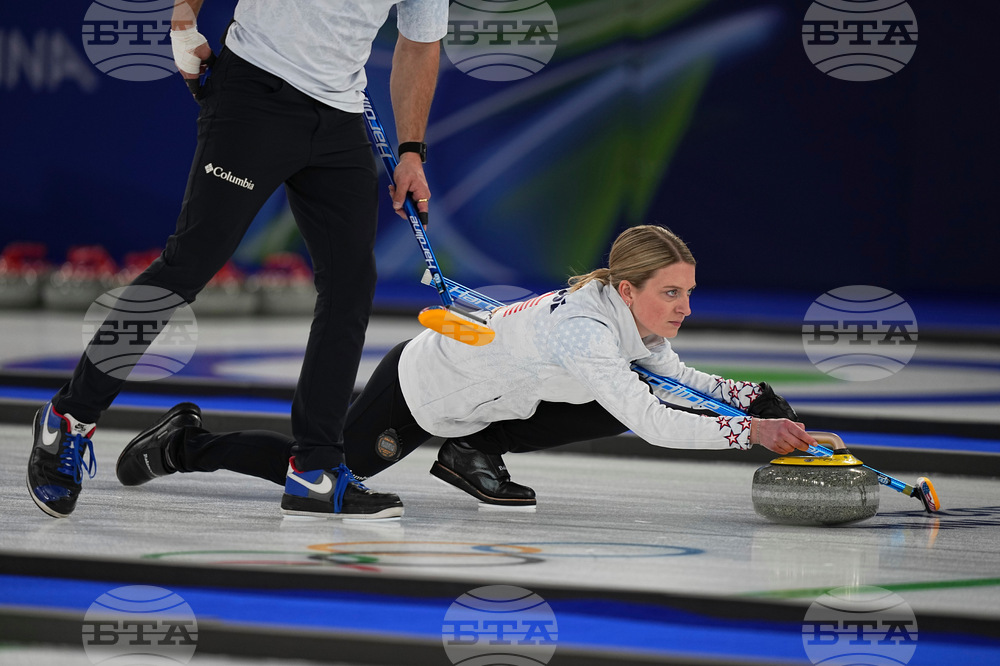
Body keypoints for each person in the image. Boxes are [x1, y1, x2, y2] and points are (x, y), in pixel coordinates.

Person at [27, 0, 449, 520]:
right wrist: (184, 21)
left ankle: (315, 467)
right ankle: (67, 419)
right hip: (255, 92)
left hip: (340, 114)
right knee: (186, 268)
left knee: (351, 284)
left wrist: (411, 151)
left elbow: (419, 42)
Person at [113, 225, 818, 510]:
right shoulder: (587, 333)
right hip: (422, 392)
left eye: (688, 293)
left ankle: (471, 451)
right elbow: (655, 422)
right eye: (673, 294)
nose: (683, 308)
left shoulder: (626, 316)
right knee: (326, 477)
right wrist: (748, 434)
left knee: (622, 394)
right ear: (630, 290)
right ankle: (187, 443)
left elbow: (677, 379)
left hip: (488, 401)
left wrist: (749, 397)